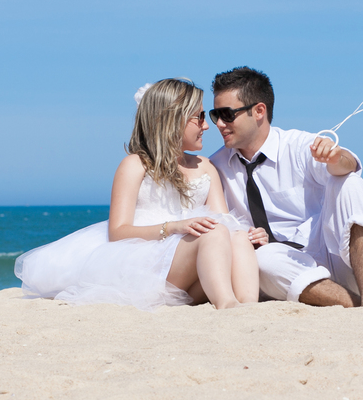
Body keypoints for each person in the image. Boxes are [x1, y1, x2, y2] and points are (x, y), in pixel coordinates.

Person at [15, 78, 262, 310]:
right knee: (214, 233)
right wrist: (174, 227)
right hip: (150, 266)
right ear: (173, 120)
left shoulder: (205, 166)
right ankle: (227, 305)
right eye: (198, 117)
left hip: (193, 268)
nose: (206, 125)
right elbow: (118, 232)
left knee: (237, 236)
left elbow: (222, 219)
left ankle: (248, 306)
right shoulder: (136, 165)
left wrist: (249, 233)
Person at [208, 66, 363, 307]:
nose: (219, 124)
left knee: (350, 182)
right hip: (282, 268)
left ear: (259, 111)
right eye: (214, 115)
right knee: (263, 260)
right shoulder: (216, 166)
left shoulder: (298, 146)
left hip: (330, 255)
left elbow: (348, 164)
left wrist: (335, 157)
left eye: (227, 114)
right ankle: (355, 304)